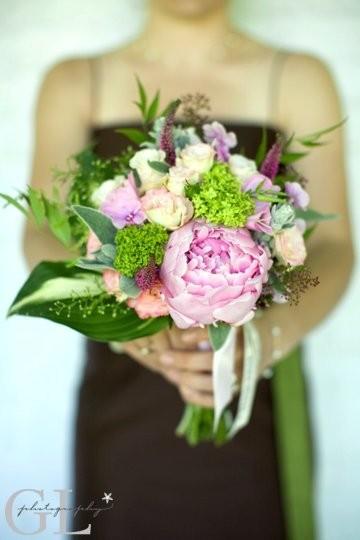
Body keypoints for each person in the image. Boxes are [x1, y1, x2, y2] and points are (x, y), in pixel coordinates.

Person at [23, 1, 354, 538]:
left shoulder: (297, 77)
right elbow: (40, 234)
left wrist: (268, 339)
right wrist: (129, 329)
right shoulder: (72, 82)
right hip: (122, 397)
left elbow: (335, 245)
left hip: (254, 397)